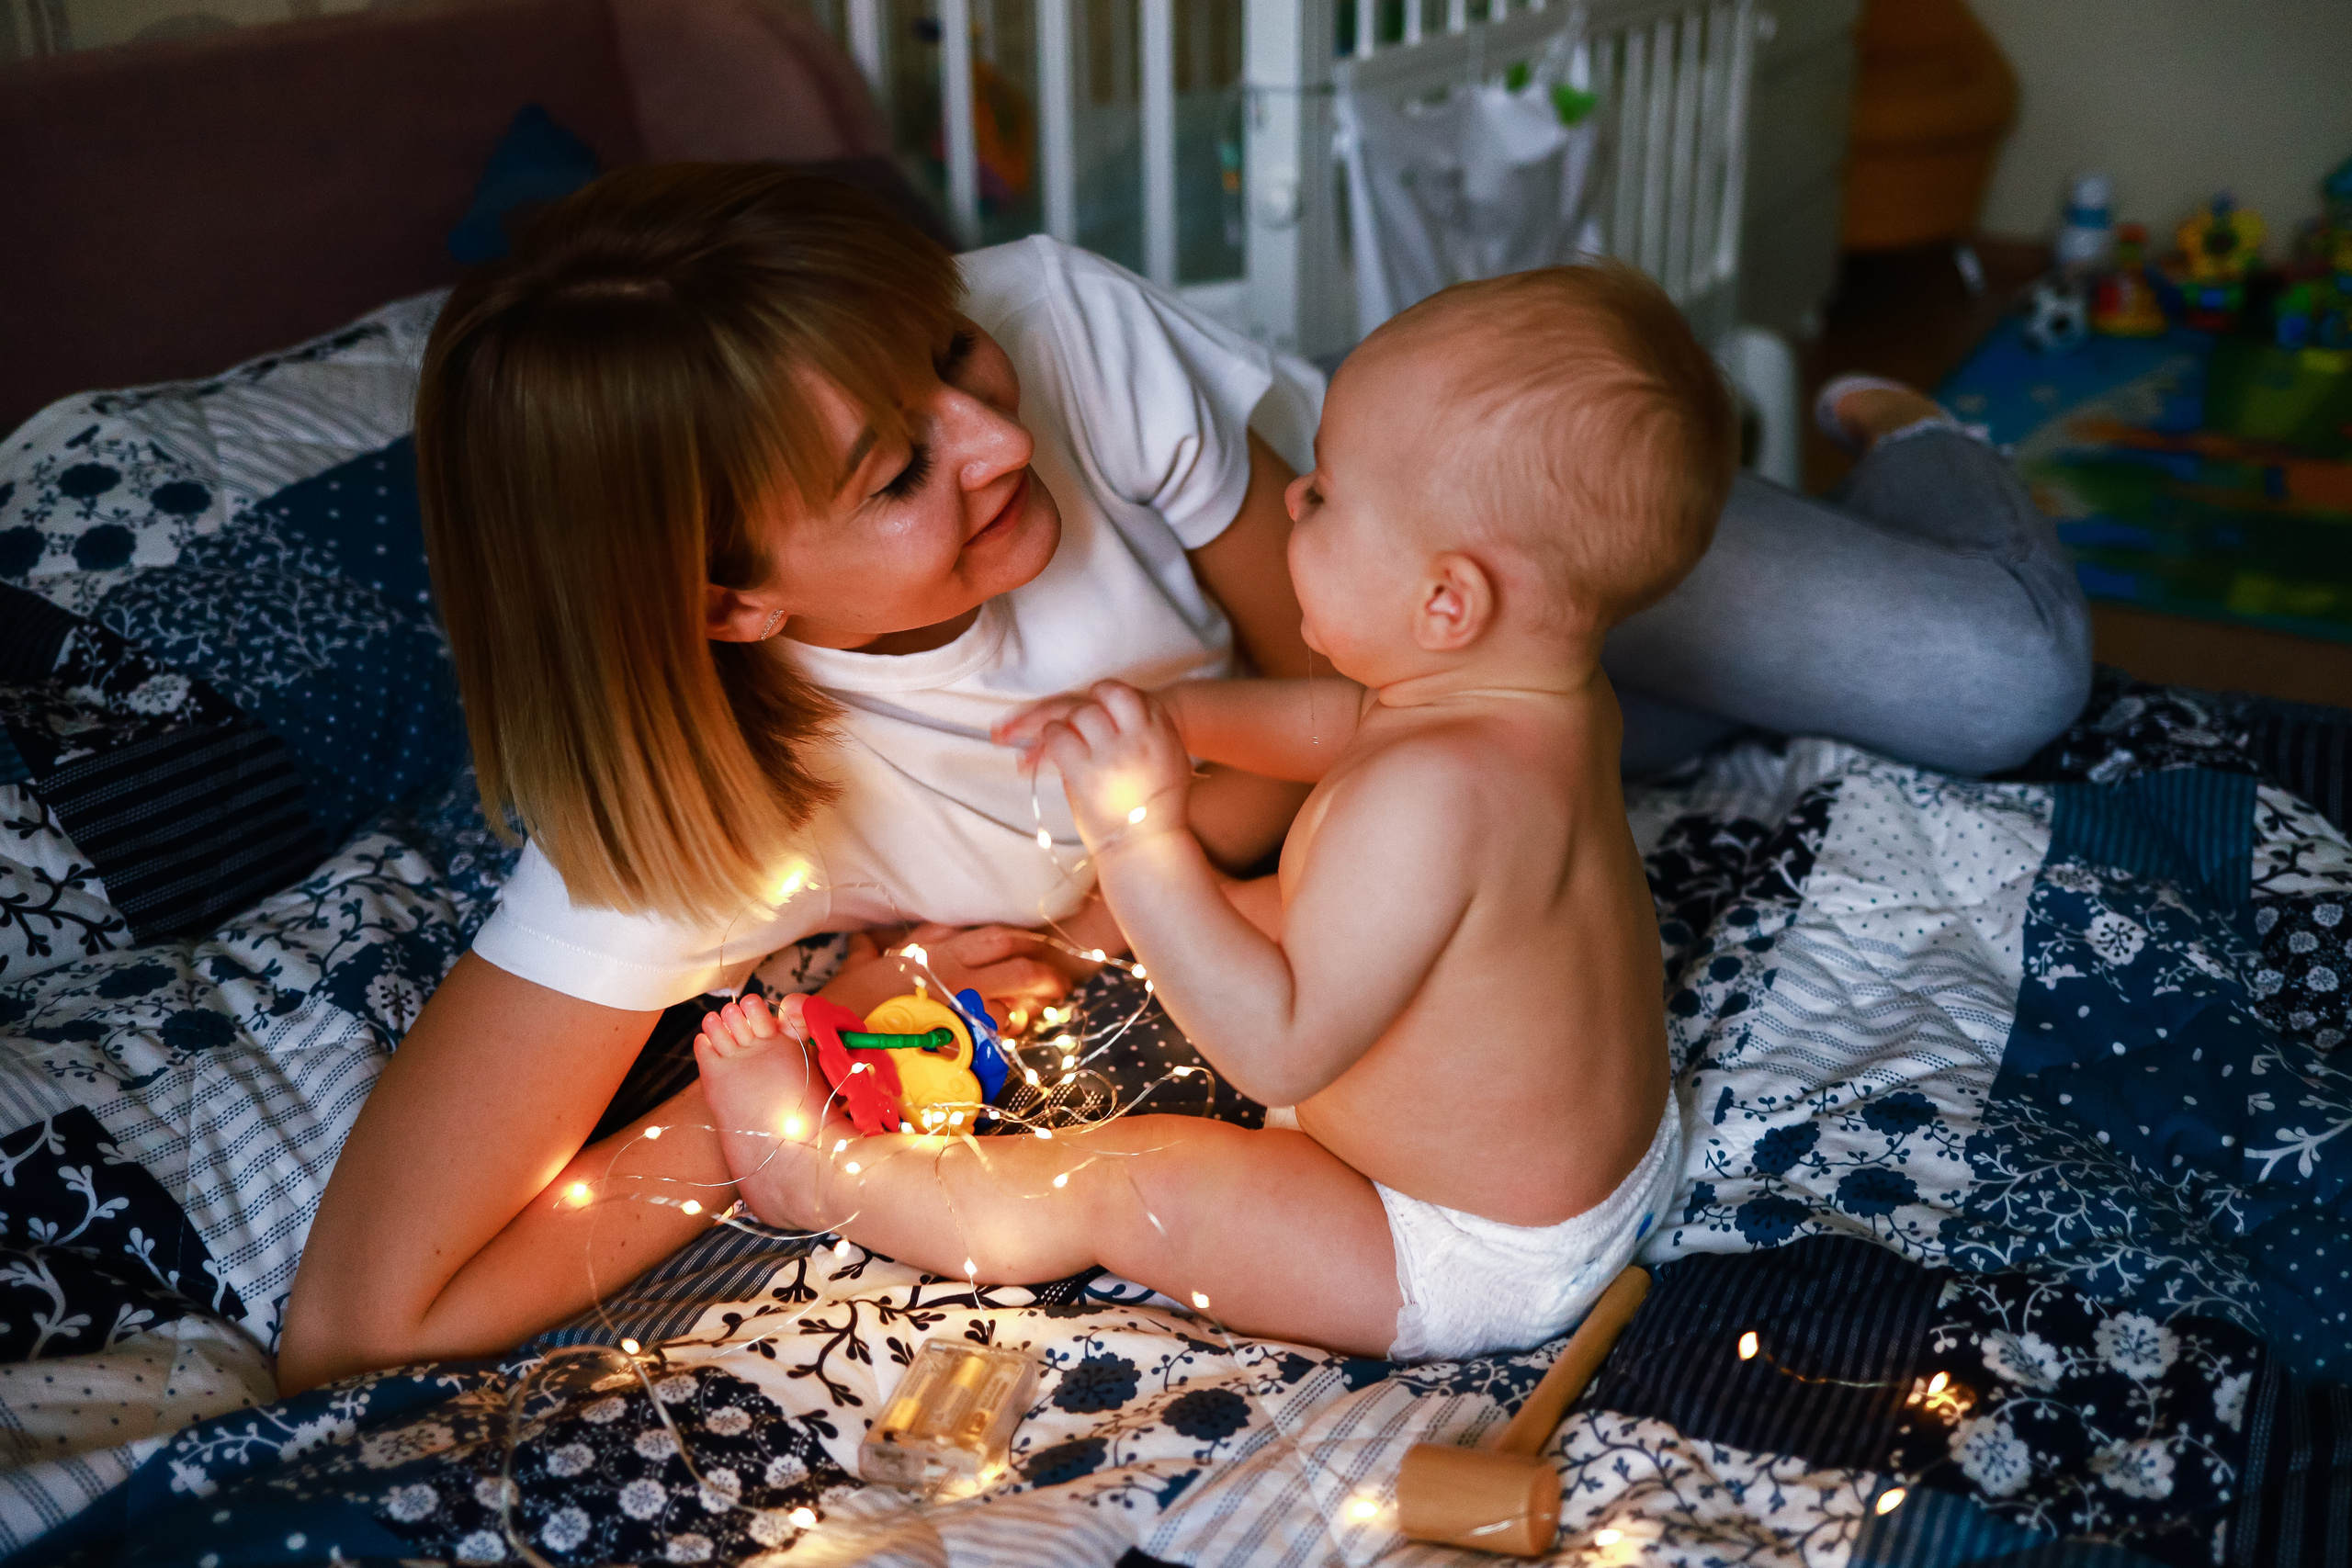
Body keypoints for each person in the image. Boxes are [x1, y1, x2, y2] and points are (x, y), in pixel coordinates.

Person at [277, 163, 2087, 1390]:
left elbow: (1348, 706)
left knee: (1995, 676)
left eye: (947, 351)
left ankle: (1919, 445)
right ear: (726, 599)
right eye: (897, 470)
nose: (1000, 430)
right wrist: (793, 1071)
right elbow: (364, 1318)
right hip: (1459, 758)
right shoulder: (669, 836)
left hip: (1461, 569)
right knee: (1636, 746)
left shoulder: (1059, 327)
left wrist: (1105, 866)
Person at [693, 263, 1717, 1359]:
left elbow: (1277, 1058)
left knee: (1133, 1182)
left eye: (1323, 494)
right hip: (1612, 1162)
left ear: (1445, 601)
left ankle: (810, 1174)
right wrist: (1179, 719)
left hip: (1454, 1244)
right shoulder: (1541, 703)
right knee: (1291, 908)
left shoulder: (1425, 801)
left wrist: (1138, 833)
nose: (1292, 496)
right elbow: (1344, 725)